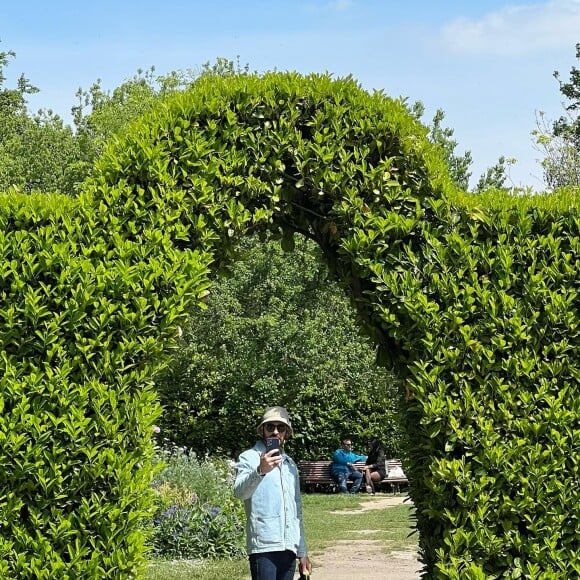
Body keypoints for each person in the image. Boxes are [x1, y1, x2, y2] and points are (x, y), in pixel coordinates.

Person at [234, 406, 312, 580]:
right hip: (264, 545)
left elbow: (296, 510)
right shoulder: (249, 457)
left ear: (286, 433)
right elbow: (239, 492)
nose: (275, 432)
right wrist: (260, 471)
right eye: (270, 427)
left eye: (280, 428)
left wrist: (302, 552)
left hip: (289, 546)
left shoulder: (290, 465)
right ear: (262, 430)